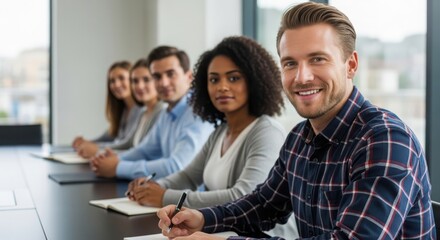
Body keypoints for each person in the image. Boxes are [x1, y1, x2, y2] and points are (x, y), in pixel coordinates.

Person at [156, 2, 436, 239]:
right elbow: (263, 206)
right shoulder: (299, 138)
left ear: (350, 65)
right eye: (290, 63)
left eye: (317, 59)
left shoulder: (385, 139)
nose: (301, 77)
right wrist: (202, 219)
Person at [126, 36, 297, 237]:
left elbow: (242, 196)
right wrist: (152, 187)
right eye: (214, 79)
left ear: (253, 81)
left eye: (233, 78)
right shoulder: (220, 132)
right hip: (220, 233)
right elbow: (188, 176)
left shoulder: (266, 132)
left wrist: (164, 196)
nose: (222, 87)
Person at [90, 46, 214, 180]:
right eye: (157, 76)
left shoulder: (198, 113)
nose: (163, 83)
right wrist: (112, 160)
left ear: (189, 77)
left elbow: (176, 167)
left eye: (170, 74)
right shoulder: (167, 112)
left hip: (188, 198)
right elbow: (145, 150)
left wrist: (117, 167)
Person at [74, 59, 166, 158]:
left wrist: (98, 152)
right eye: (135, 81)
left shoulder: (162, 112)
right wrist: (96, 148)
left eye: (146, 80)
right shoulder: (143, 112)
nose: (139, 86)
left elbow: (143, 153)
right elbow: (128, 144)